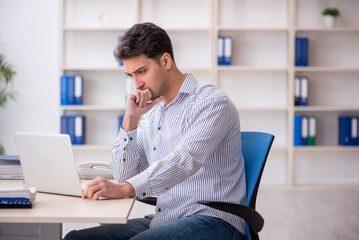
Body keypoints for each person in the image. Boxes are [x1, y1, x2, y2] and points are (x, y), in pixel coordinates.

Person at [65, 22, 246, 240]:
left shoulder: (211, 103)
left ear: (166, 61)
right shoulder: (151, 113)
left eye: (141, 71)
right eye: (130, 75)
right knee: (76, 238)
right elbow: (125, 176)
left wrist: (125, 188)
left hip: (215, 221)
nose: (137, 84)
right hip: (167, 218)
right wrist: (131, 119)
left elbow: (183, 161)